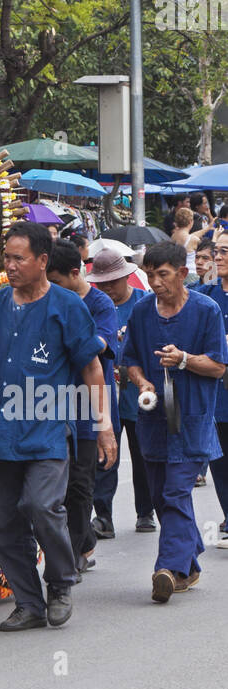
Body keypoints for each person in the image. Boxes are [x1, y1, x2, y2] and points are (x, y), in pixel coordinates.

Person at [0, 222, 115, 632]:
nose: (10, 266)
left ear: (42, 261)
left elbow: (90, 365)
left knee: (41, 506)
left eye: (19, 258)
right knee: (4, 523)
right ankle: (29, 604)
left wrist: (103, 428)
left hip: (47, 427)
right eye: (6, 258)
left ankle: (61, 583)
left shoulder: (67, 306)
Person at [120, 240, 227, 602]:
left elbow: (217, 367)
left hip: (193, 420)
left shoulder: (207, 310)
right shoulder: (140, 312)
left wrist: (183, 360)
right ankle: (190, 559)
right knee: (161, 496)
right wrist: (142, 381)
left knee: (176, 492)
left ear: (182, 273)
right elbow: (129, 359)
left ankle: (169, 569)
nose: (155, 283)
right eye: (150, 276)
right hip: (152, 419)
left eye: (162, 275)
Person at [46, 238, 119, 576]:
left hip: (90, 408)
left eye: (56, 281)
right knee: (53, 486)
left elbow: (100, 346)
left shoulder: (101, 304)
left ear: (75, 274)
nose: (51, 288)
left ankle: (73, 553)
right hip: (50, 405)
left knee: (79, 483)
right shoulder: (45, 300)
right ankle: (84, 538)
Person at [87, 248, 154, 535]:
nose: (107, 289)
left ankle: (145, 512)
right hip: (104, 390)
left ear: (126, 277)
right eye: (101, 284)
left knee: (142, 455)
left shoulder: (143, 304)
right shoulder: (93, 306)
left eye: (112, 282)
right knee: (104, 454)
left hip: (135, 391)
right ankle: (103, 517)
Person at [194, 231, 228, 550]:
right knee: (219, 461)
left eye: (224, 252)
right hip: (215, 394)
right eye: (216, 251)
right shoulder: (206, 296)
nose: (218, 257)